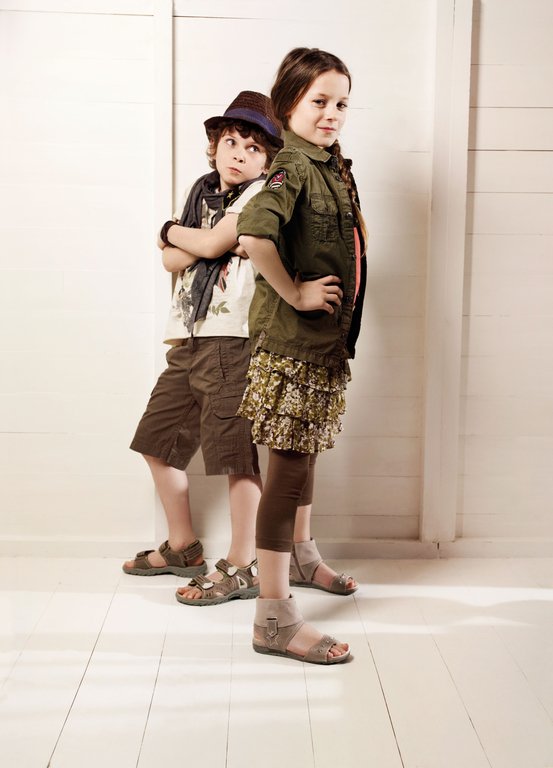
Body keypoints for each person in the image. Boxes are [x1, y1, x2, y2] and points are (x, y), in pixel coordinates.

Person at [122, 92, 282, 606]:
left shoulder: (260, 196)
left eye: (254, 148)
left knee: (235, 454)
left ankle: (243, 562)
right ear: (215, 146)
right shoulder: (201, 193)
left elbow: (202, 246)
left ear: (267, 161)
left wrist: (174, 232)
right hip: (188, 337)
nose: (239, 154)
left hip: (232, 339)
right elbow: (171, 261)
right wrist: (194, 239)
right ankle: (183, 546)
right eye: (231, 142)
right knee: (156, 440)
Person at [236, 48, 367, 662]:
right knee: (287, 473)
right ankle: (274, 618)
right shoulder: (291, 166)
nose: (332, 113)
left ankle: (303, 558)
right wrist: (295, 292)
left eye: (341, 103)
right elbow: (253, 233)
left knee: (305, 456)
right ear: (289, 101)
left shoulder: (330, 164)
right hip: (292, 347)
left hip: (321, 345)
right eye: (319, 100)